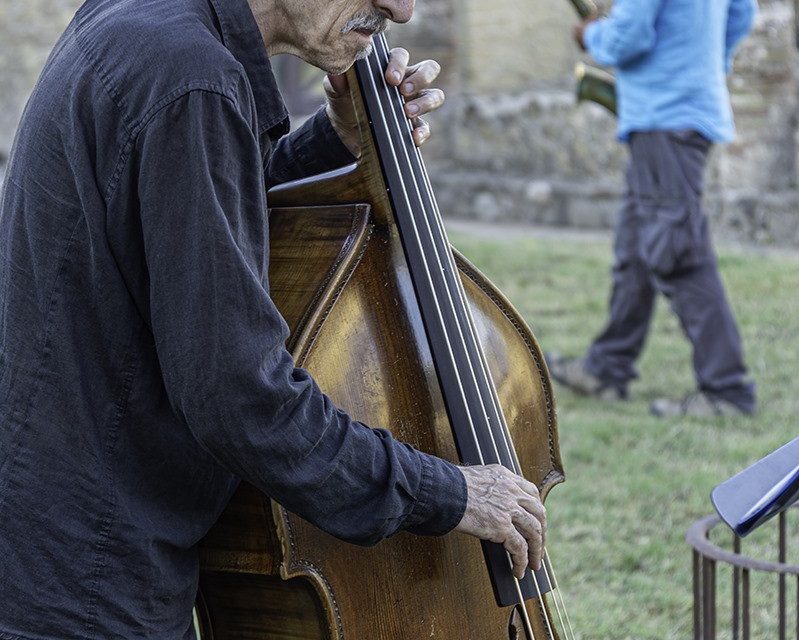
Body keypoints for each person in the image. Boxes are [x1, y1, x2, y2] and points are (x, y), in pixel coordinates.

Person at [0, 0, 547, 637]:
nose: (401, 8)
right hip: (90, 587)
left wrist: (333, 140)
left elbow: (194, 225)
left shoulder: (152, 29)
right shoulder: (191, 79)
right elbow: (240, 399)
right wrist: (450, 492)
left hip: (56, 553)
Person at [549, 0, 758, 417]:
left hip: (665, 119)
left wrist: (589, 34)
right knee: (636, 250)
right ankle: (606, 368)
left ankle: (726, 390)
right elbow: (742, 13)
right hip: (679, 114)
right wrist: (703, 66)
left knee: (677, 252)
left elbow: (629, 38)